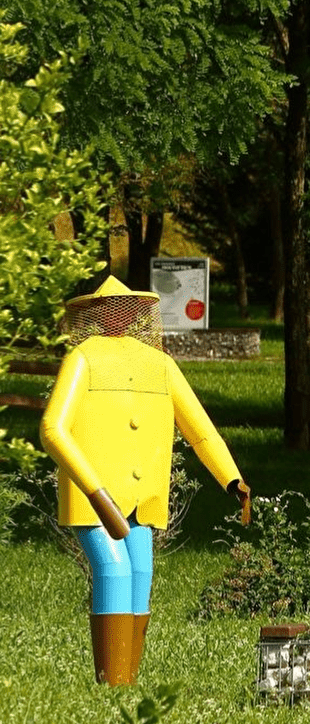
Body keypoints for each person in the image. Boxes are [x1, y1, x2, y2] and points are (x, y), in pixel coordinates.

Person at [39, 276, 250, 686]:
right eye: (109, 309)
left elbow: (200, 430)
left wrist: (231, 479)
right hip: (95, 500)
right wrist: (96, 493)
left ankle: (125, 683)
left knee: (140, 575)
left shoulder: (161, 364)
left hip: (143, 499)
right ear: (93, 315)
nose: (116, 316)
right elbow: (52, 428)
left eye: (123, 308)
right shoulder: (82, 359)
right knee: (114, 571)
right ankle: (112, 684)